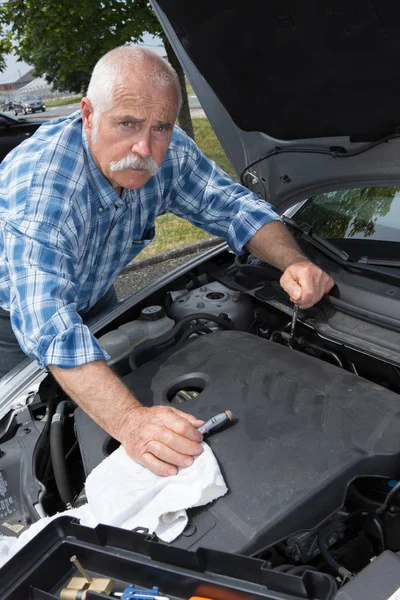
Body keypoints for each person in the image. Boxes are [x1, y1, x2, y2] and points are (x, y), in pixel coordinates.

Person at [0, 46, 333, 476]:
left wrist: (291, 261)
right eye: (127, 123)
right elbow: (47, 320)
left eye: (161, 126)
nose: (144, 147)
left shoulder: (168, 151)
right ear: (87, 113)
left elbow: (237, 208)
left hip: (94, 293)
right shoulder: (46, 187)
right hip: (9, 318)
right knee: (19, 432)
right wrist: (130, 423)